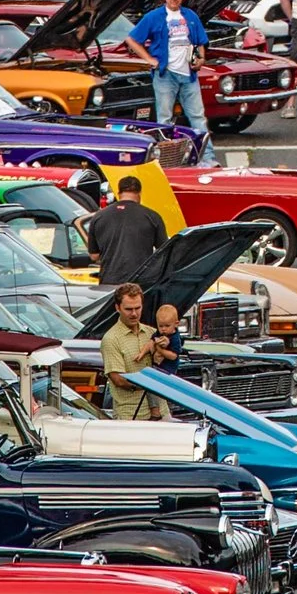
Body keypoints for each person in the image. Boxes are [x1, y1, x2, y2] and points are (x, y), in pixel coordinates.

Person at [124, 0, 216, 164]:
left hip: (188, 75)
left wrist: (201, 59)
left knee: (198, 117)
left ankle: (209, 158)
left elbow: (199, 42)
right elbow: (132, 39)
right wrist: (150, 60)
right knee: (165, 120)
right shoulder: (154, 17)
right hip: (165, 75)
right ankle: (167, 161)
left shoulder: (190, 16)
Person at [102, 283, 168, 421]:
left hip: (162, 411)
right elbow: (118, 379)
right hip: (131, 414)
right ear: (117, 308)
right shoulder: (111, 339)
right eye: (128, 309)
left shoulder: (151, 332)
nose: (134, 313)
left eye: (138, 308)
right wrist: (149, 384)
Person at [84, 175, 167, 284]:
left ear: (119, 193)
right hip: (140, 283)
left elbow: (94, 256)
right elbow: (163, 252)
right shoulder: (152, 216)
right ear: (139, 194)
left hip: (109, 281)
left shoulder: (98, 217)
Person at [150, 303, 186, 377]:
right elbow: (151, 342)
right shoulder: (158, 333)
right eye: (160, 326)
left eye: (167, 326)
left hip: (168, 371)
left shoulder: (175, 338)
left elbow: (174, 356)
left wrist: (160, 350)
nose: (163, 329)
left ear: (176, 324)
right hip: (156, 367)